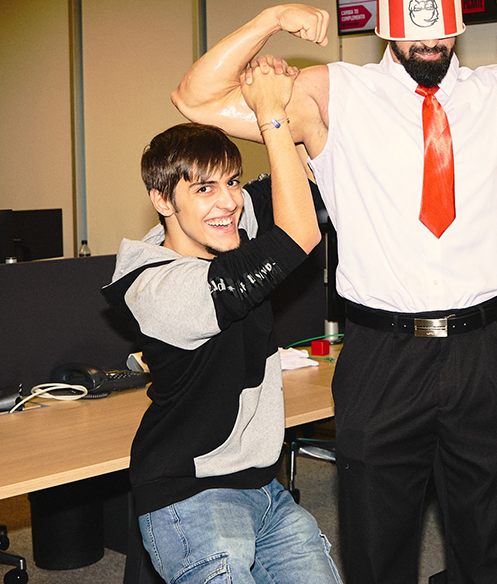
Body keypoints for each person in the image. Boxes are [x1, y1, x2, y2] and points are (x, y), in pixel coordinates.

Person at [170, 0, 497, 582]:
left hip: (484, 349)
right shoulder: (332, 94)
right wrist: (269, 20)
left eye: (441, 27)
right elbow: (196, 97)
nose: (429, 40)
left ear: (458, 25)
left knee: (491, 549)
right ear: (386, 27)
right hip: (382, 355)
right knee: (378, 548)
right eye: (414, 28)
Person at [102, 61, 342, 584]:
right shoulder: (160, 289)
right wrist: (270, 115)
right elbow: (298, 237)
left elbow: (309, 181)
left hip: (263, 489)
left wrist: (281, 69)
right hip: (190, 493)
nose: (229, 201)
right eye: (204, 189)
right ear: (162, 200)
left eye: (232, 182)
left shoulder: (226, 231)